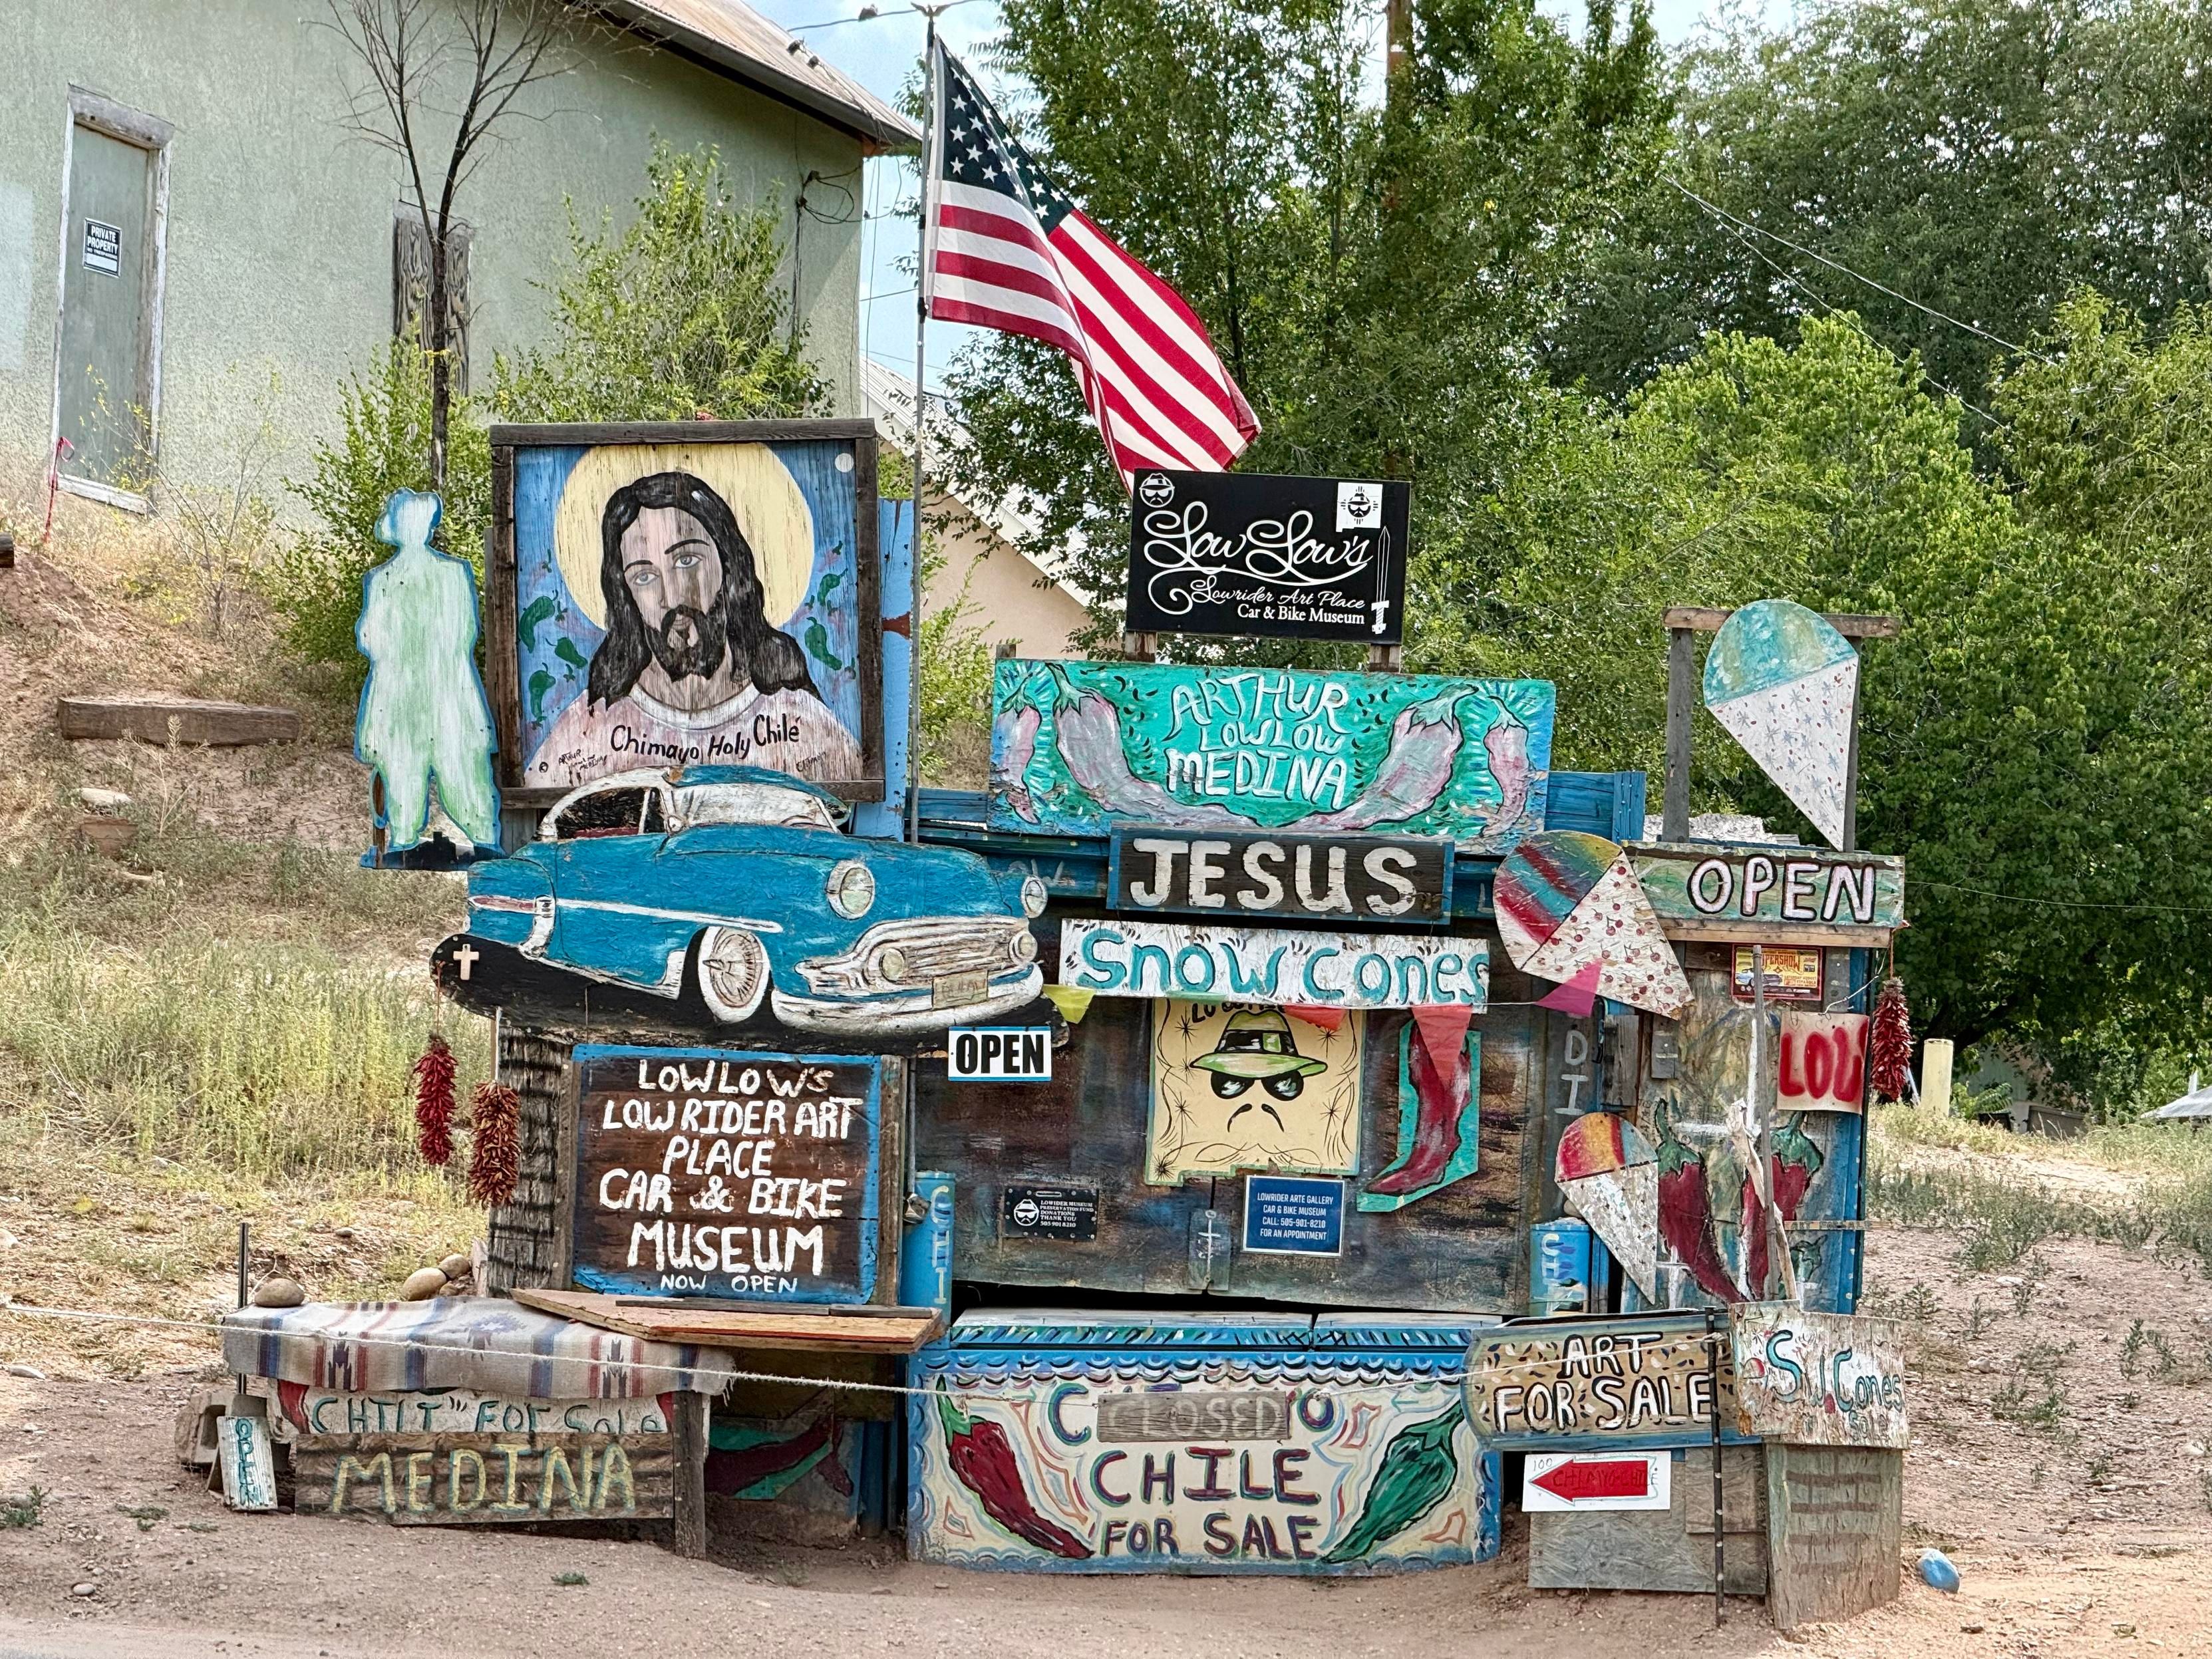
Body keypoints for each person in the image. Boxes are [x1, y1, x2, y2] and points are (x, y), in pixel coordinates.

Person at [527, 470, 863, 787]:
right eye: (644, 577)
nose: (671, 597)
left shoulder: (797, 721)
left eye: (687, 560)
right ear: (626, 597)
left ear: (728, 563)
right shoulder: (592, 726)